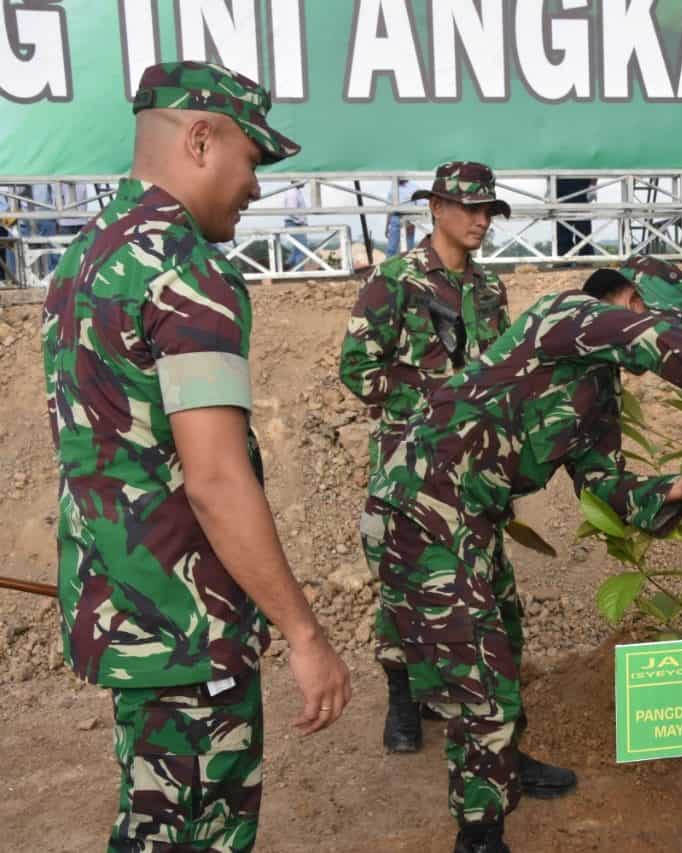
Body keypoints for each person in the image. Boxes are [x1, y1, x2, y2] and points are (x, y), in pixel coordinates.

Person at [366, 256, 682, 852]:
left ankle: (504, 761)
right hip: (418, 508)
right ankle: (480, 834)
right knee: (478, 682)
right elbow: (654, 339)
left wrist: (680, 486)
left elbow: (605, 485)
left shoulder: (596, 390)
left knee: (504, 641)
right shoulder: (565, 316)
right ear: (628, 300)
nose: (648, 337)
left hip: (471, 518)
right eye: (648, 315)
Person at [41, 61, 351, 851]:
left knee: (153, 824)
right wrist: (306, 634)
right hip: (187, 630)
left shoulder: (85, 261)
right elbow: (214, 478)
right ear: (202, 139)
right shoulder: (186, 270)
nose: (255, 186)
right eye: (253, 160)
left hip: (127, 617)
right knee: (192, 833)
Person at [339, 161, 526, 760]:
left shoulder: (490, 290)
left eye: (488, 211)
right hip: (408, 467)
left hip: (473, 470)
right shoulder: (393, 281)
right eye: (469, 208)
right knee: (403, 583)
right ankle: (402, 693)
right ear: (436, 209)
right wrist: (434, 397)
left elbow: (502, 371)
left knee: (482, 582)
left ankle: (481, 701)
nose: (480, 220)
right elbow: (357, 370)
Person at [385, 177, 420, 257]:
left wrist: (413, 222)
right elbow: (389, 208)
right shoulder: (393, 188)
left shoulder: (414, 188)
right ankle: (388, 268)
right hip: (395, 218)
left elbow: (420, 206)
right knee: (391, 249)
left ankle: (408, 267)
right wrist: (387, 227)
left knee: (408, 249)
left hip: (409, 219)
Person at [281, 182, 308, 270]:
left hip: (294, 223)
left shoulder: (296, 191)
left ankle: (288, 269)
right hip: (294, 223)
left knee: (296, 250)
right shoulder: (292, 192)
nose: (305, 182)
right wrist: (301, 220)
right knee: (301, 249)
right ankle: (299, 272)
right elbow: (292, 210)